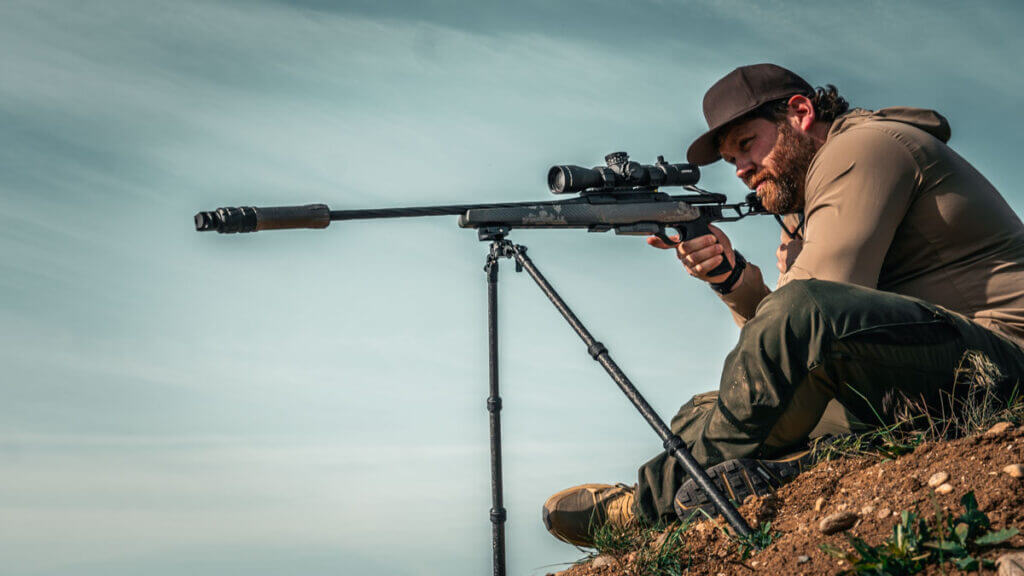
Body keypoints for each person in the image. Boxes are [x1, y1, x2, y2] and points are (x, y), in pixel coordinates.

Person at [542, 63, 1024, 548]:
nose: (741, 171)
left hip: (996, 366)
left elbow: (806, 316)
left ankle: (644, 509)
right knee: (700, 412)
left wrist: (784, 283)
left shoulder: (865, 148)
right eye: (731, 160)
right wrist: (733, 280)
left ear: (799, 112)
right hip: (922, 377)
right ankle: (797, 466)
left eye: (747, 144)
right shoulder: (811, 196)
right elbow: (795, 350)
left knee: (789, 326)